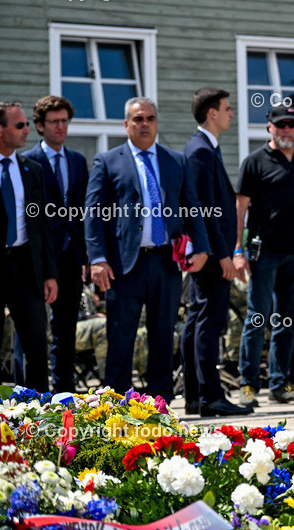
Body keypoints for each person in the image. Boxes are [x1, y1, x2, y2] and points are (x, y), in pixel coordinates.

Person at [85, 97, 210, 401]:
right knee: (120, 337)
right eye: (138, 119)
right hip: (123, 264)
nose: (145, 124)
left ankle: (160, 405)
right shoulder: (107, 160)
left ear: (156, 123)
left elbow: (192, 206)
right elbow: (93, 213)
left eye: (150, 119)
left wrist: (201, 248)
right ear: (126, 124)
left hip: (166, 262)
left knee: (163, 335)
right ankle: (116, 405)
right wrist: (97, 258)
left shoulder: (176, 160)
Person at [234, 105, 294, 406]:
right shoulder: (254, 161)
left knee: (288, 322)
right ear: (270, 127)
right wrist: (237, 250)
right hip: (263, 253)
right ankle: (248, 386)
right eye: (281, 124)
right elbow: (240, 209)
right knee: (257, 319)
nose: (287, 129)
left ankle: (279, 384)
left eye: (292, 124)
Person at [180, 88, 251, 417]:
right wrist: (223, 254)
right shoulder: (199, 151)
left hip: (209, 250)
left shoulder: (206, 148)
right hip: (210, 253)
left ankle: (196, 396)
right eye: (227, 108)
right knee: (208, 323)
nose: (231, 114)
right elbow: (203, 209)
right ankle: (209, 395)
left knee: (198, 320)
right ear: (212, 113)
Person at [21, 96, 87, 393]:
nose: (61, 127)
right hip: (36, 258)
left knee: (66, 329)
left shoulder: (78, 161)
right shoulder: (27, 162)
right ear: (39, 126)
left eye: (64, 121)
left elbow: (82, 212)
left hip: (70, 255)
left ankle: (64, 394)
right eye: (54, 122)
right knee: (32, 330)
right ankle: (29, 395)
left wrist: (86, 257)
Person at [0, 101, 57, 391]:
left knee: (36, 343)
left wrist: (49, 274)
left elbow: (43, 226)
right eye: (19, 125)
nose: (27, 130)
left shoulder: (32, 170)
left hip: (25, 266)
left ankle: (40, 408)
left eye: (27, 124)